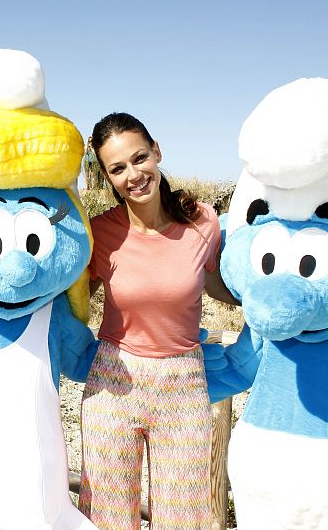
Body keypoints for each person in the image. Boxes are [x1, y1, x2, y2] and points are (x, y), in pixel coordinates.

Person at [78, 113, 238, 530]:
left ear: (157, 152)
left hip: (183, 384)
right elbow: (76, 304)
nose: (133, 175)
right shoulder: (99, 233)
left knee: (184, 518)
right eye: (118, 168)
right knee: (107, 518)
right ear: (108, 178)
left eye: (139, 158)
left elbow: (215, 285)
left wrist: (262, 303)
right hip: (113, 381)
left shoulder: (203, 221)